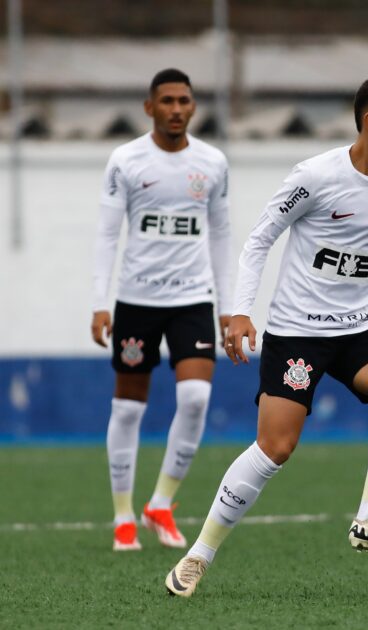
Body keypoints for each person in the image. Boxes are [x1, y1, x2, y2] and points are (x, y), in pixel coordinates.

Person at [165, 75, 368, 597]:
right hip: (297, 333)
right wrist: (241, 313)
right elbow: (259, 240)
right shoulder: (316, 176)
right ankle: (199, 555)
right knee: (275, 448)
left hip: (359, 329)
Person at [91, 68, 232, 552]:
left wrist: (228, 309)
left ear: (194, 107)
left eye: (184, 100)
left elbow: (221, 235)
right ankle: (123, 515)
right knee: (129, 407)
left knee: (195, 399)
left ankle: (161, 504)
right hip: (136, 302)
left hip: (192, 300)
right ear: (149, 107)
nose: (176, 108)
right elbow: (108, 234)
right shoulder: (125, 160)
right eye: (167, 100)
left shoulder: (213, 163)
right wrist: (99, 303)